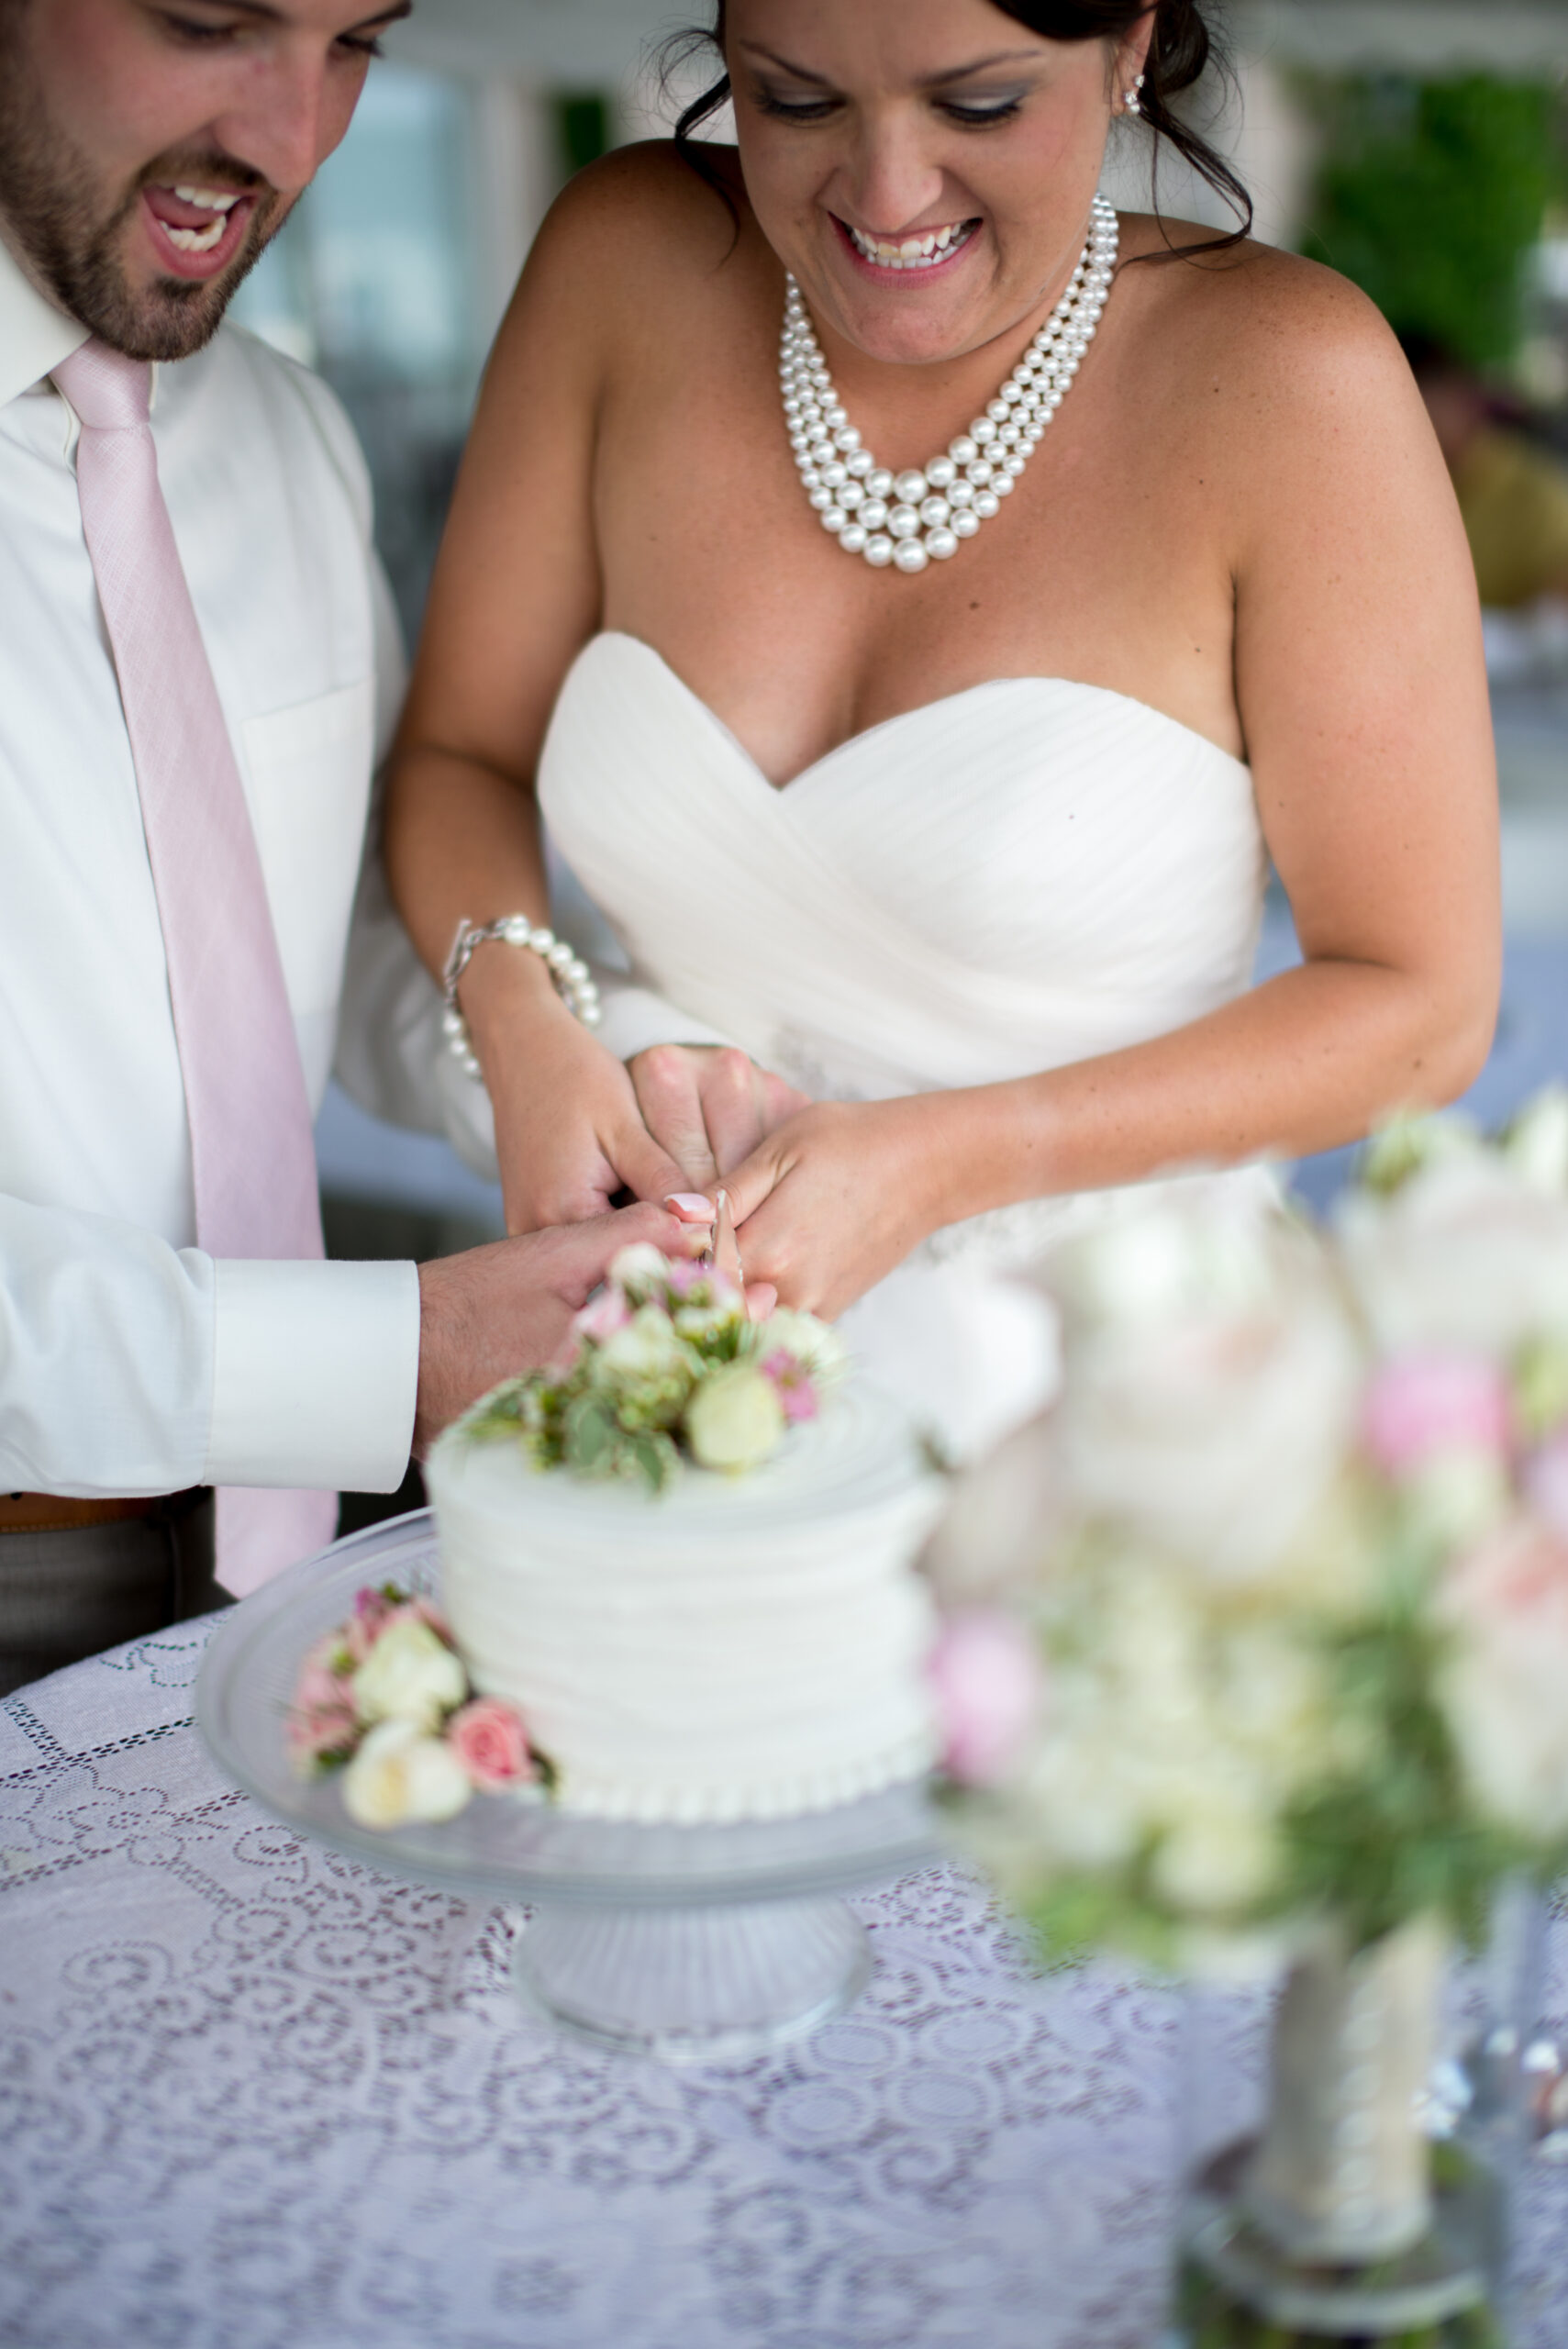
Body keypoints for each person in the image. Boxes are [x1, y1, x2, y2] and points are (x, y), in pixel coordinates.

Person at [383, 0, 1500, 1449]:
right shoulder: (624, 260)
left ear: (1125, 47)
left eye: (976, 108)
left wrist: (948, 1159)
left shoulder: (1290, 383)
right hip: (645, 1380)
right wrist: (526, 1030)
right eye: (793, 102)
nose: (885, 193)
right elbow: (459, 754)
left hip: (1106, 1414)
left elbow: (1419, 1006)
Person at [0, 0, 710, 1698]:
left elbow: (319, 948)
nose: (294, 138)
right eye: (212, 20)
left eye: (353, 43)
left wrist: (578, 1075)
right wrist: (391, 1356)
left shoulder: (288, 439)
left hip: (305, 1571)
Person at [1405, 334, 1568, 614]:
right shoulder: (1391, 490)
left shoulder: (1543, 498)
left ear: (1463, 398)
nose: (1411, 422)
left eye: (1419, 403)